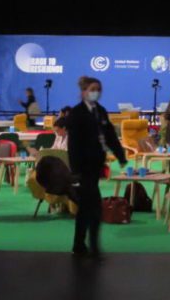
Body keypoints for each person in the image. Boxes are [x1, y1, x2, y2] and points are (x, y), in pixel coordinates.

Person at [68, 76, 126, 257]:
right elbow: (73, 145)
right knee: (93, 208)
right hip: (82, 169)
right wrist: (75, 172)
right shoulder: (76, 113)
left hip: (95, 167)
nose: (96, 92)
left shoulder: (100, 111)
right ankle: (92, 247)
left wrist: (120, 155)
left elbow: (110, 136)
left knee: (86, 209)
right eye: (93, 89)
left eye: (98, 89)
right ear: (84, 91)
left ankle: (80, 246)